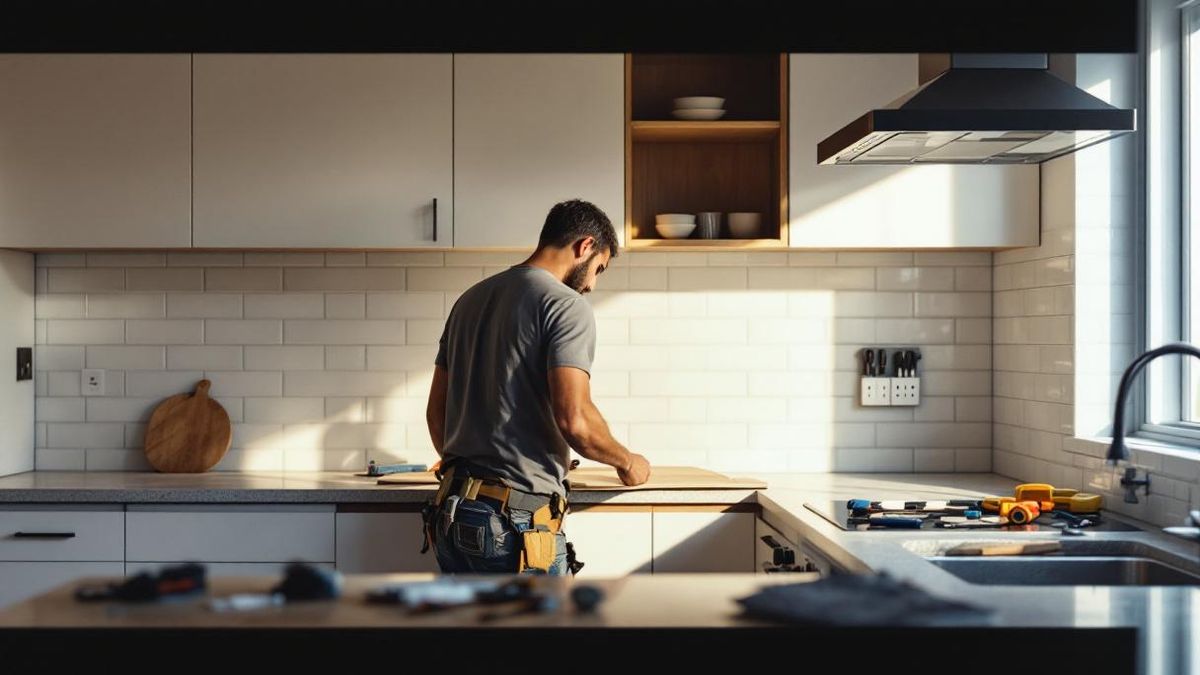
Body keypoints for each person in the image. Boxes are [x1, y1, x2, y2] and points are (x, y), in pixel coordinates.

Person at [420, 198, 652, 576]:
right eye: (599, 269)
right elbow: (575, 419)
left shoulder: (469, 300)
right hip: (513, 523)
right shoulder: (565, 306)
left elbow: (436, 413)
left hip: (452, 511)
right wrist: (628, 462)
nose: (592, 284)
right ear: (585, 246)